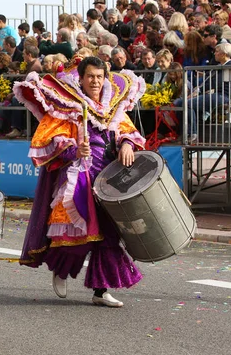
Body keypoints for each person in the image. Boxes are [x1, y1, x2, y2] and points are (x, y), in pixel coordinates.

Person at [13, 56, 145, 307]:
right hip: (80, 174)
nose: (95, 81)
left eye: (99, 76)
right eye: (90, 77)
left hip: (110, 175)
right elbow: (48, 139)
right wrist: (74, 149)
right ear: (81, 79)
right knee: (76, 231)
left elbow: (129, 131)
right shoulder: (68, 105)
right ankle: (61, 270)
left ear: (105, 78)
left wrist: (127, 144)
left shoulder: (114, 104)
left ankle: (100, 290)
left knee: (108, 233)